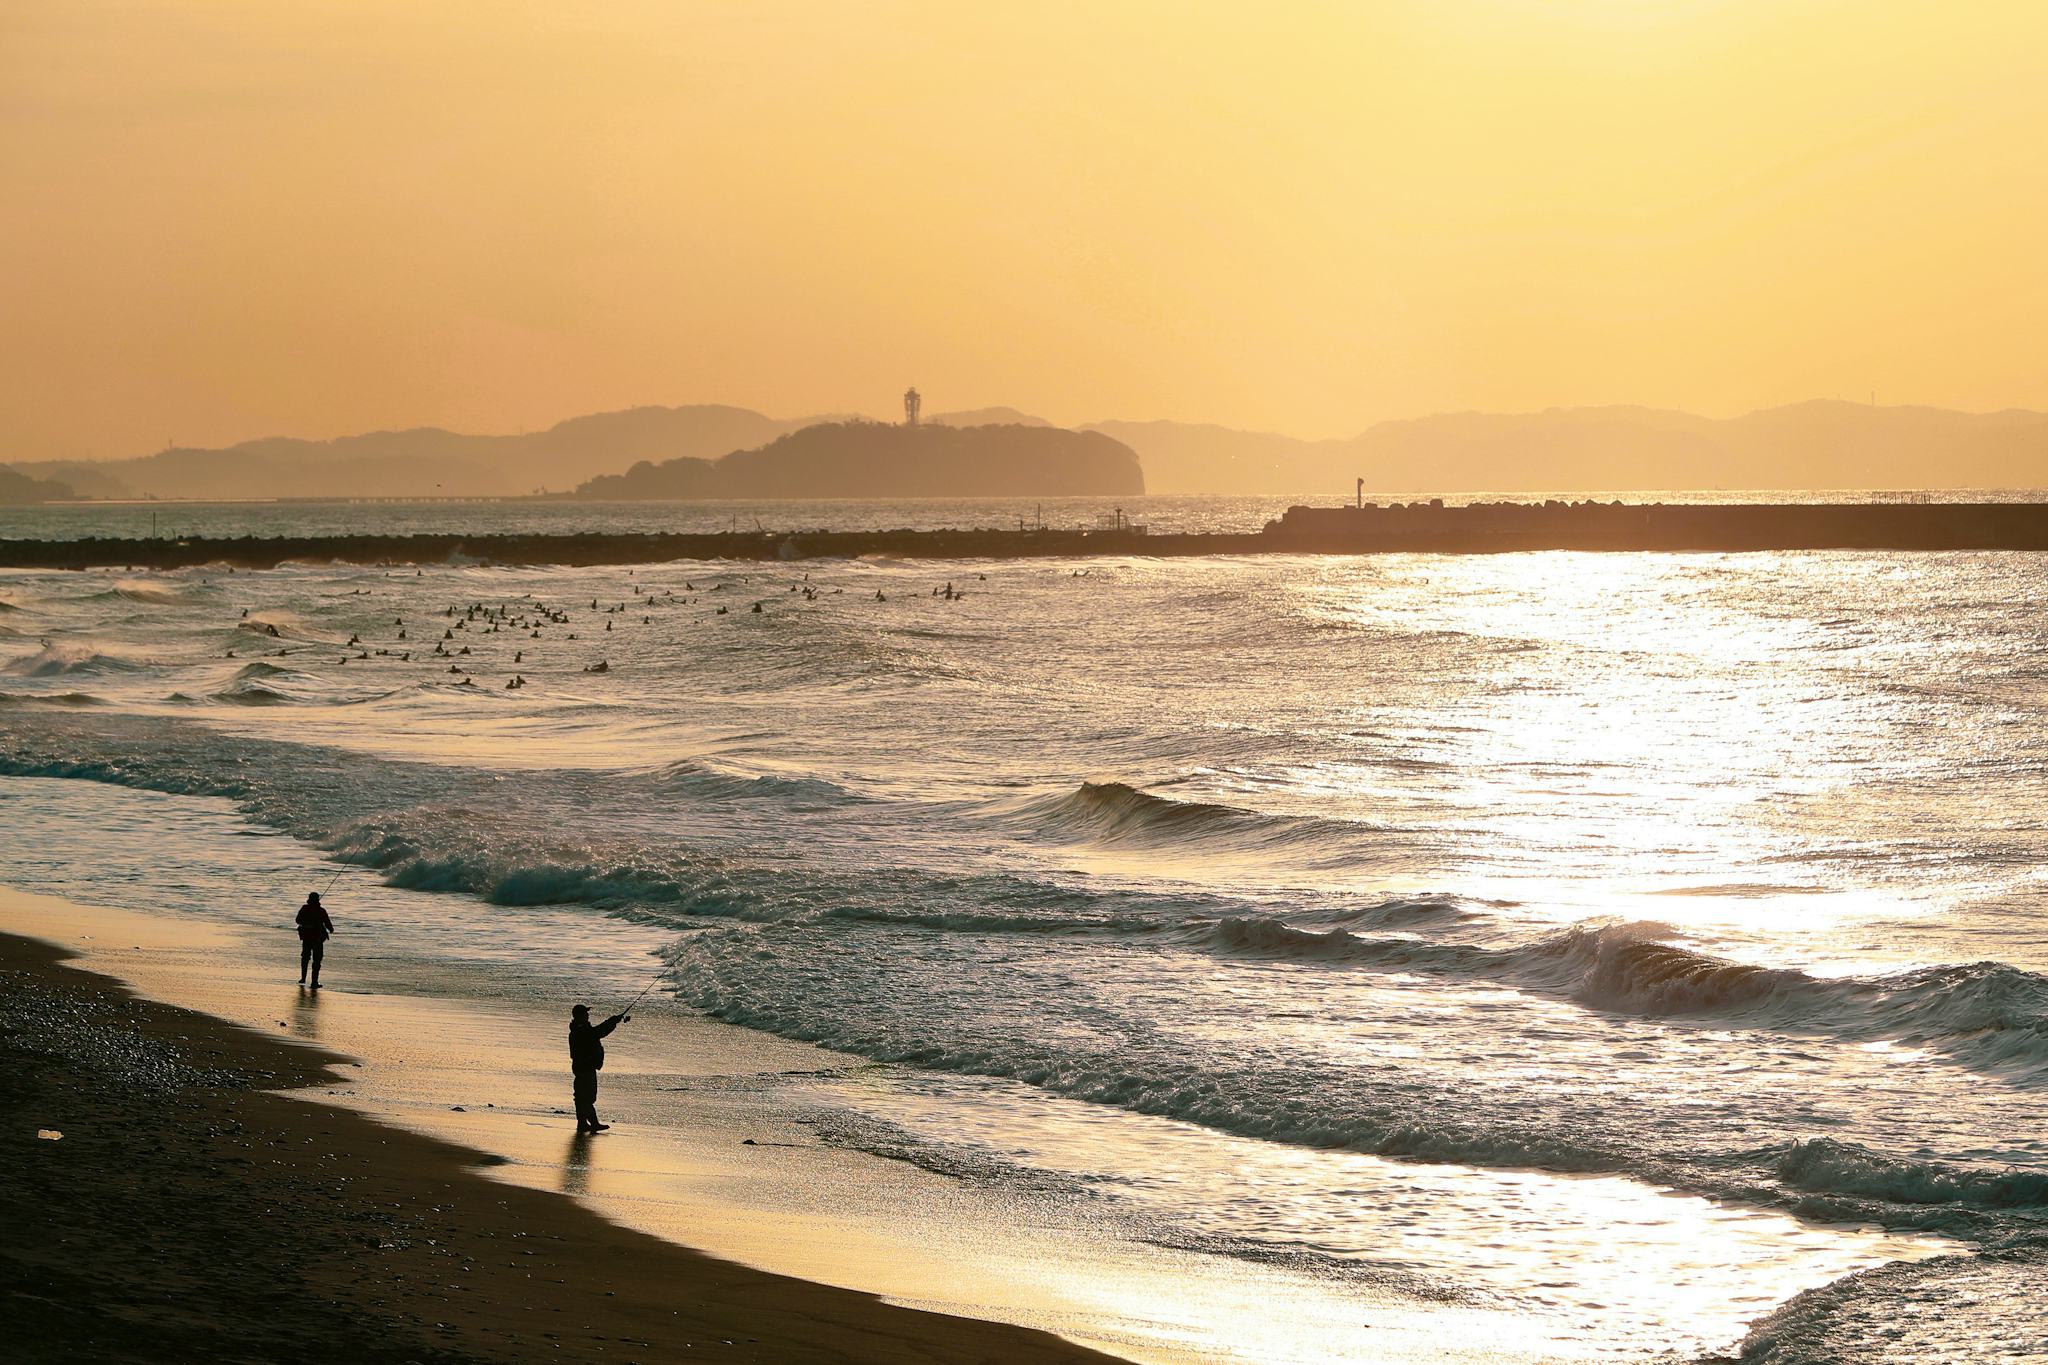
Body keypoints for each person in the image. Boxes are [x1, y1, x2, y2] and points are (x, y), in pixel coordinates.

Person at [569, 1004, 629, 1132]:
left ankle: (583, 1123)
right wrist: (613, 1021)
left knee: (581, 1096)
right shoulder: (581, 1030)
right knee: (587, 1097)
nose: (588, 1015)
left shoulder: (579, 1029)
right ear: (580, 1016)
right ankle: (592, 1123)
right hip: (585, 1067)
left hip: (582, 1067)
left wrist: (613, 1021)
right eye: (585, 1013)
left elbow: (597, 1032)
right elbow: (599, 1032)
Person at [295, 892, 334, 988]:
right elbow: (327, 923)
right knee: (317, 960)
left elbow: (297, 920)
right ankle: (314, 982)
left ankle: (303, 979)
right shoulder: (321, 910)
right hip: (317, 938)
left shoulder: (304, 908)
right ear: (318, 900)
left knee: (305, 958)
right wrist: (331, 929)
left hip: (306, 937)